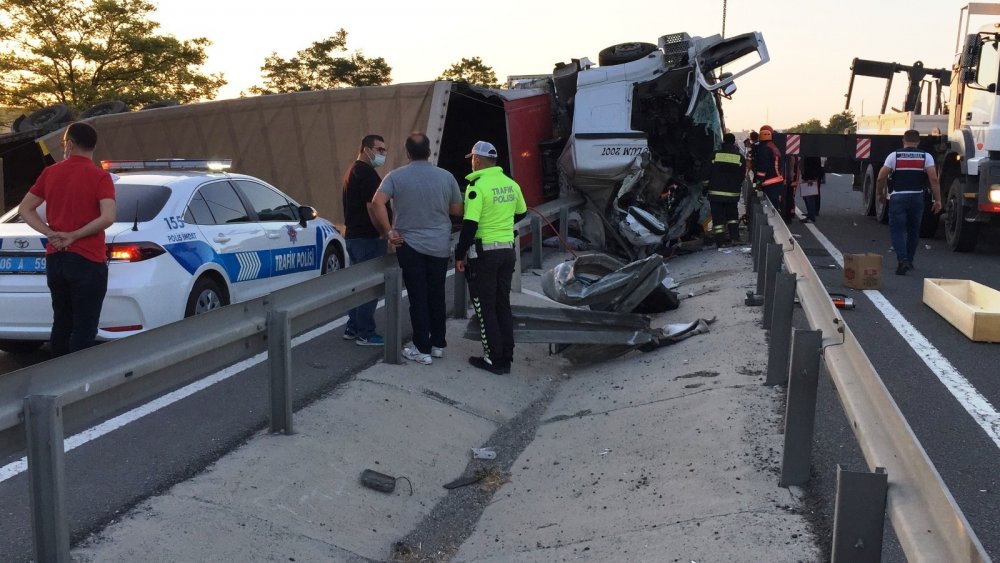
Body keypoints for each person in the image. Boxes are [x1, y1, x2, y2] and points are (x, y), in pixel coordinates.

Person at [18, 122, 116, 356]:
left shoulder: (50, 173)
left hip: (56, 259)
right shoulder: (100, 177)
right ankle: (79, 375)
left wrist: (50, 233)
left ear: (70, 144)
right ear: (93, 146)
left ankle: (58, 371)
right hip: (88, 260)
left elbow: (25, 209)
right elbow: (108, 217)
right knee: (85, 325)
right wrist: (74, 235)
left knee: (61, 322)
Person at [371, 132, 463, 365]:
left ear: (408, 152)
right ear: (429, 151)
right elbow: (457, 210)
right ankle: (438, 343)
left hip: (409, 244)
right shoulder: (446, 176)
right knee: (436, 293)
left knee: (418, 295)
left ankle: (421, 348)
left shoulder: (395, 176)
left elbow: (377, 202)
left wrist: (389, 231)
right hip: (439, 244)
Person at [454, 141, 527, 375]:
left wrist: (459, 254)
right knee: (502, 304)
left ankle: (493, 359)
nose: (471, 163)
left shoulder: (476, 187)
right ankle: (506, 357)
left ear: (477, 160)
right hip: (508, 251)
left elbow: (469, 225)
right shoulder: (511, 183)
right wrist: (502, 225)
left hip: (485, 254)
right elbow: (522, 212)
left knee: (485, 307)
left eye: (472, 159)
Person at [341, 134, 389, 346]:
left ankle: (352, 326)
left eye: (384, 150)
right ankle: (365, 332)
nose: (383, 154)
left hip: (353, 237)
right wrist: (383, 231)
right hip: (368, 238)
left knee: (357, 285)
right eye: (380, 150)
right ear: (366, 149)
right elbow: (373, 206)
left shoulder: (352, 170)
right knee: (369, 287)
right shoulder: (368, 174)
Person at [876, 129, 941, 275]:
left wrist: (879, 193)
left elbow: (881, 177)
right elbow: (934, 179)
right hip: (917, 197)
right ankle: (910, 261)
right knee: (913, 230)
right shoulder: (926, 157)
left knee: (897, 230)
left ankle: (902, 259)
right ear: (918, 142)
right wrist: (938, 200)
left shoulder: (894, 156)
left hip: (898, 197)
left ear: (903, 140)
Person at [706, 133, 745, 246]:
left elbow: (706, 173)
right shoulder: (739, 157)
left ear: (724, 141)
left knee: (718, 220)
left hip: (715, 194)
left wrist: (705, 187)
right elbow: (742, 176)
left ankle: (720, 242)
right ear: (733, 142)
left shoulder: (714, 155)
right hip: (732, 194)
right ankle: (734, 238)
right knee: (732, 218)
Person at [752, 125, 785, 215]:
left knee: (770, 206)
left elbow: (762, 169)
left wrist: (758, 183)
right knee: (775, 205)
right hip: (777, 181)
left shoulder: (765, 149)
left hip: (769, 183)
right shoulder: (773, 147)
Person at [798, 156, 824, 223]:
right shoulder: (810, 154)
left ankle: (811, 216)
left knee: (810, 197)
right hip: (809, 176)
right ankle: (810, 213)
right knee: (807, 196)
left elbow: (813, 166)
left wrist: (811, 178)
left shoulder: (812, 154)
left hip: (810, 177)